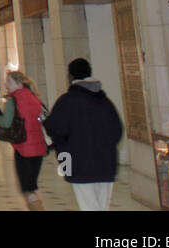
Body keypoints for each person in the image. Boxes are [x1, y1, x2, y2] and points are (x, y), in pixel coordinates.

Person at [43, 58, 124, 211]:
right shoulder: (105, 102)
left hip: (79, 164)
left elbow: (55, 128)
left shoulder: (67, 101)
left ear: (71, 76)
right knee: (102, 206)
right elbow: (117, 131)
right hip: (106, 163)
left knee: (88, 206)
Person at [0, 70, 48, 210]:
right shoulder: (34, 97)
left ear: (18, 83)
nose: (6, 84)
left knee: (27, 188)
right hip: (39, 148)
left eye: (9, 82)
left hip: (23, 148)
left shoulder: (13, 100)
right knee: (33, 184)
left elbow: (6, 123)